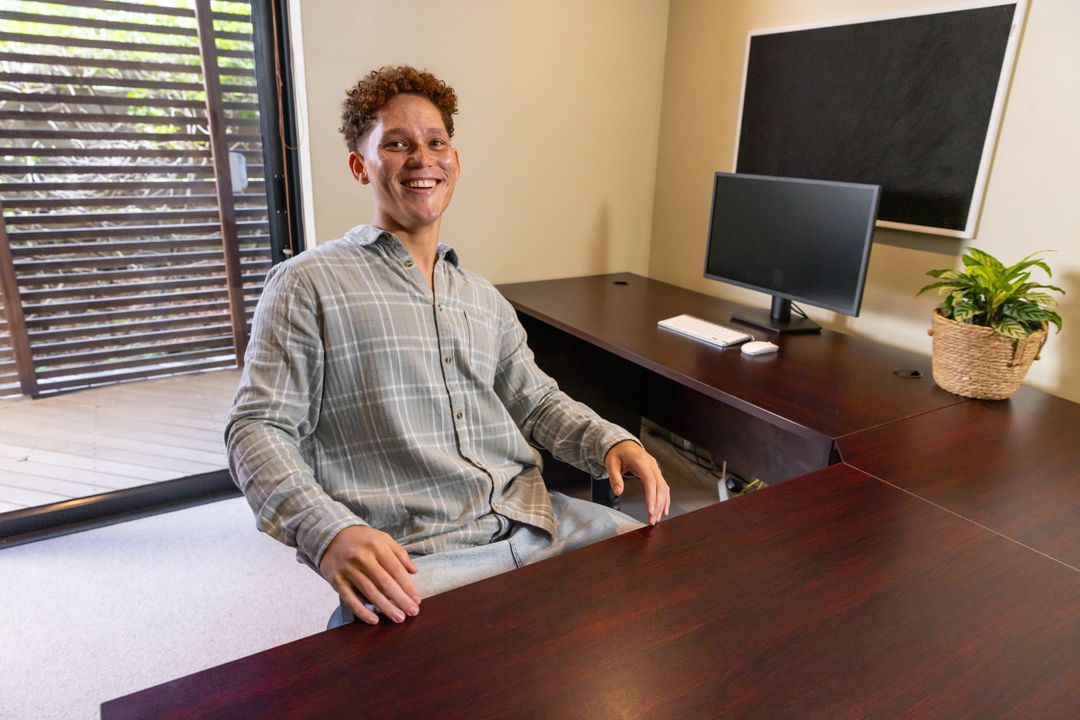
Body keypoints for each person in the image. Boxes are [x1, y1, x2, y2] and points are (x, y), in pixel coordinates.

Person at [226, 65, 669, 629]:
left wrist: (609, 440)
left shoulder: (483, 297)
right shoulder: (307, 284)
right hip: (419, 563)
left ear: (455, 160)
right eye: (397, 143)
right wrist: (326, 530)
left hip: (542, 526)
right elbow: (256, 428)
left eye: (436, 142)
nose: (423, 158)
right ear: (360, 166)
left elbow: (535, 402)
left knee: (673, 604)